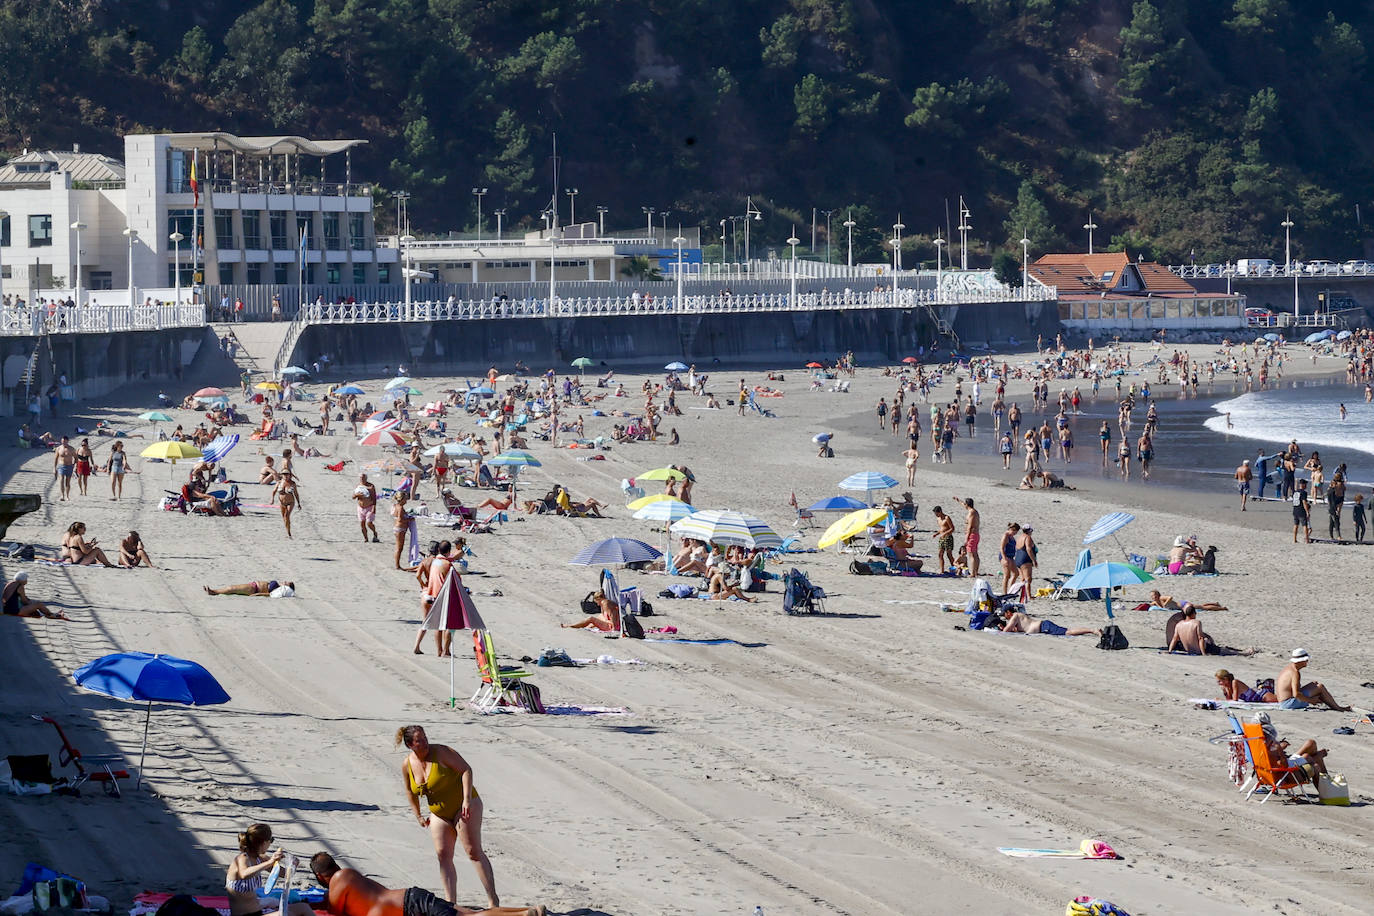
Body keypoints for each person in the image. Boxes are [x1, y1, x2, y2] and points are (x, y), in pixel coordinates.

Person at [394, 726, 501, 909]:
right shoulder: (407, 765)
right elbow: (409, 791)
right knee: (443, 854)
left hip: (464, 806)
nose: (425, 743)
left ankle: (493, 900)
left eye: (426, 737)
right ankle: (451, 904)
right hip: (439, 813)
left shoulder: (441, 752)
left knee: (473, 851)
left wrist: (467, 799)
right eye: (420, 740)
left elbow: (466, 770)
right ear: (410, 744)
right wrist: (418, 814)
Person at [308, 853, 542, 916]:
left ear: (321, 877)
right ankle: (526, 911)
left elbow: (334, 912)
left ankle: (524, 915)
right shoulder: (351, 876)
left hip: (409, 906)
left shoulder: (339, 882)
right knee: (470, 912)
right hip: (410, 899)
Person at [226, 824, 315, 916]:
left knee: (303, 907)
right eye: (271, 840)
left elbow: (283, 873)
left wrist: (292, 865)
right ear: (264, 842)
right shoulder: (242, 859)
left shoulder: (260, 858)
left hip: (257, 910)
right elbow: (244, 874)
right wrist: (270, 862)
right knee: (288, 914)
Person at [1275, 648, 1350, 710]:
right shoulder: (1295, 672)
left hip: (1284, 702)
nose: (1307, 662)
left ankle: (1331, 704)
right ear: (1300, 661)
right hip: (1288, 704)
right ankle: (1337, 708)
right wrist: (1311, 701)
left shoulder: (1288, 668)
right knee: (1320, 687)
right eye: (1306, 660)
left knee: (1315, 684)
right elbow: (1296, 694)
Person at [1, 573, 68, 619]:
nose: (27, 581)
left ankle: (45, 613)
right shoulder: (20, 586)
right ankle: (51, 615)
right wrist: (33, 603)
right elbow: (25, 602)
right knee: (39, 604)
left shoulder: (10, 583)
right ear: (23, 580)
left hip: (6, 609)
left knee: (35, 611)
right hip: (14, 611)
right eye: (26, 579)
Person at [999, 610, 1099, 637]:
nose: (1006, 618)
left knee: (1068, 632)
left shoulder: (1015, 615)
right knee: (1068, 631)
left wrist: (1001, 628)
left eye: (1005, 615)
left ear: (1009, 612)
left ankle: (1092, 630)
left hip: (1043, 626)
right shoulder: (1018, 618)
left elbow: (1006, 630)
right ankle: (1092, 630)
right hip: (1043, 626)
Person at [272, 473, 303, 538]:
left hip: (290, 502)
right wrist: (272, 499)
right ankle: (288, 531)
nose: (285, 475)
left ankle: (289, 534)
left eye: (287, 474)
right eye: (284, 474)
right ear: (282, 475)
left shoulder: (292, 483)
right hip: (282, 502)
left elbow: (296, 494)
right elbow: (274, 491)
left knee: (287, 515)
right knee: (285, 518)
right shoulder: (279, 482)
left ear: (290, 475)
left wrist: (299, 503)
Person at [354, 474, 379, 543]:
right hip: (360, 508)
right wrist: (356, 495)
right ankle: (366, 538)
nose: (362, 479)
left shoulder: (371, 486)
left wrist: (374, 507)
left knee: (369, 523)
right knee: (362, 523)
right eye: (361, 478)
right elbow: (353, 497)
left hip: (369, 507)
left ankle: (374, 532)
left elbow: (374, 497)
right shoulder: (358, 486)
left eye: (363, 478)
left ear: (366, 478)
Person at [931, 505, 955, 573]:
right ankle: (942, 570)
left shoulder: (947, 518)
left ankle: (954, 568)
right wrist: (937, 533)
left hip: (948, 538)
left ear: (940, 512)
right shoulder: (938, 519)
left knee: (949, 554)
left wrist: (945, 533)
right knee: (940, 554)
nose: (936, 515)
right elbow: (942, 529)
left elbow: (952, 528)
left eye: (937, 513)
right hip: (941, 538)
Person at [204, 579, 295, 596]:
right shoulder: (279, 587)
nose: (285, 581)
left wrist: (258, 594)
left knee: (232, 588)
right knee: (232, 589)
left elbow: (269, 594)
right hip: (253, 586)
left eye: (287, 583)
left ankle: (214, 592)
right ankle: (214, 591)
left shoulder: (279, 590)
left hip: (253, 589)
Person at [53, 436, 77, 501]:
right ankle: (62, 496)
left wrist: (74, 466)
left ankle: (67, 495)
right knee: (61, 481)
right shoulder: (58, 448)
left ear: (67, 441)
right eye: (62, 441)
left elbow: (76, 458)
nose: (63, 443)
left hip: (69, 466)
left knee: (67, 482)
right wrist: (54, 468)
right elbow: (56, 458)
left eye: (65, 441)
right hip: (61, 466)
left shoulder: (71, 449)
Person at [962, 498, 981, 578]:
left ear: (967, 505)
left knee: (971, 554)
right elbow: (964, 505)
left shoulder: (971, 513)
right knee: (975, 553)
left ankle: (973, 573)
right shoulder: (974, 511)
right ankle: (975, 571)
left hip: (972, 535)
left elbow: (970, 526)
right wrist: (958, 500)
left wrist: (966, 538)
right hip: (975, 535)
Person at [1292, 478, 1312, 544]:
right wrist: (1307, 511)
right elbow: (1304, 502)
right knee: (1304, 525)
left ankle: (1294, 539)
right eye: (1305, 484)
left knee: (1296, 525)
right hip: (1301, 510)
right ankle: (1307, 540)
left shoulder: (1295, 492)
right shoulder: (1303, 493)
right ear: (1303, 485)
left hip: (1295, 509)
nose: (1306, 485)